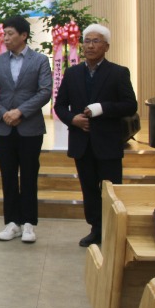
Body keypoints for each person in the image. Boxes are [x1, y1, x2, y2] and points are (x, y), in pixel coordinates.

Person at [54, 24, 137, 247]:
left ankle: (113, 229)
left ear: (106, 46)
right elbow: (59, 105)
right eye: (87, 41)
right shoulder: (72, 73)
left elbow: (130, 105)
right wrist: (72, 119)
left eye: (96, 41)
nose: (90, 46)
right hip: (82, 143)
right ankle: (96, 229)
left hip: (108, 142)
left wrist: (103, 108)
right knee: (89, 189)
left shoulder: (118, 73)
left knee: (111, 190)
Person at [0, 16, 52, 243]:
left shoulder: (40, 60)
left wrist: (20, 112)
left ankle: (29, 223)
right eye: (4, 33)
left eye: (10, 33)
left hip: (30, 127)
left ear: (23, 35)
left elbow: (45, 91)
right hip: (4, 127)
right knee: (8, 176)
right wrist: (4, 113)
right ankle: (12, 222)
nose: (6, 37)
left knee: (29, 175)